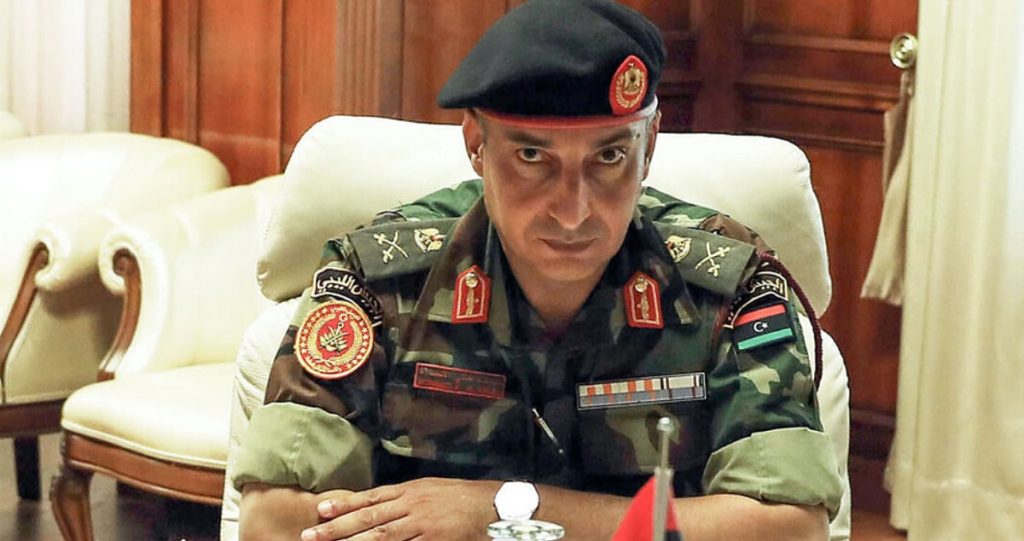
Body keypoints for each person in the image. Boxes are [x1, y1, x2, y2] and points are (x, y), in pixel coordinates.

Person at [232, 0, 843, 539]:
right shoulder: (378, 282)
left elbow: (791, 527)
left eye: (609, 155)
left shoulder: (729, 286)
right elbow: (275, 520)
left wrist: (498, 513)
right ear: (476, 144)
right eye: (532, 155)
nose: (573, 211)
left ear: (650, 145)